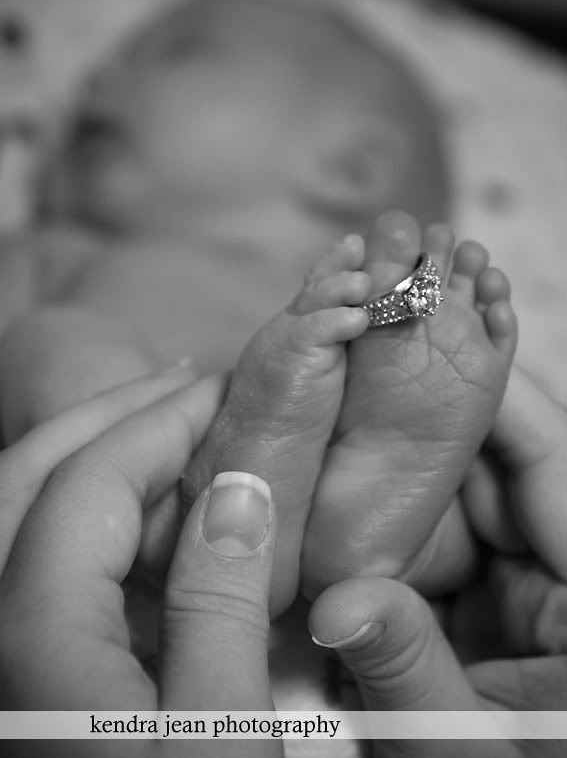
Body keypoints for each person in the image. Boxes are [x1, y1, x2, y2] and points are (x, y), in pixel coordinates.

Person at [0, 318, 566, 758]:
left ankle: (204, 510)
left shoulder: (86, 243)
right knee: (487, 508)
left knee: (65, 348)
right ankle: (394, 548)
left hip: (159, 480)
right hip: (465, 642)